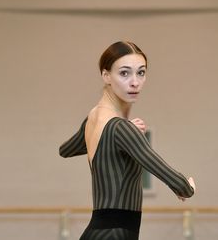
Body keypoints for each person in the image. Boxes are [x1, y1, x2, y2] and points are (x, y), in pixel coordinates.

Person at [59, 41, 196, 240]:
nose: (135, 82)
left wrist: (121, 137)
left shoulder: (94, 118)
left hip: (98, 233)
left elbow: (66, 150)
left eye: (141, 72)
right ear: (106, 76)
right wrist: (188, 186)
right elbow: (180, 185)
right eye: (124, 73)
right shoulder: (120, 129)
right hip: (116, 234)